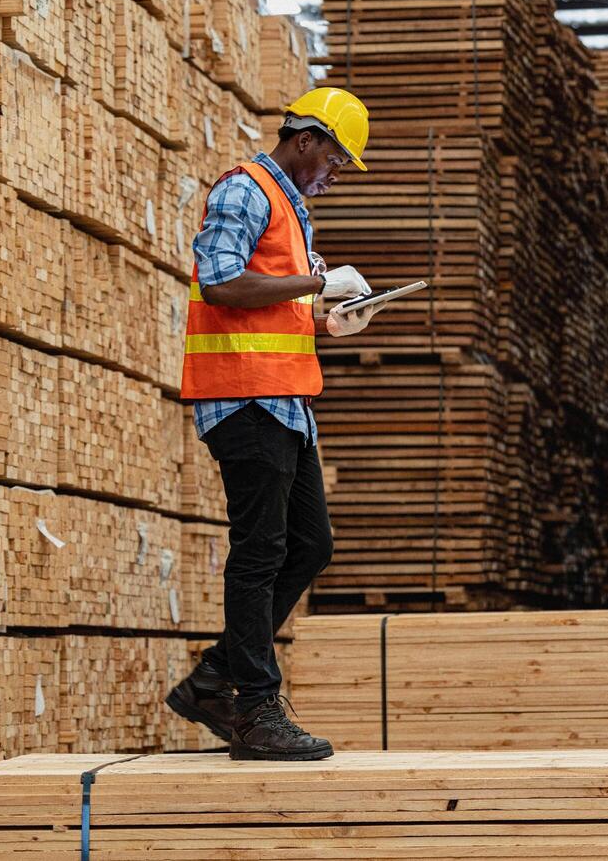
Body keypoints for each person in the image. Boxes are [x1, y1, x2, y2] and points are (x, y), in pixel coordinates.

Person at [166, 87, 377, 761]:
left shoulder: (292, 209)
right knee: (260, 552)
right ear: (307, 140)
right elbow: (221, 283)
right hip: (245, 399)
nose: (335, 176)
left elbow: (270, 307)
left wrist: (329, 319)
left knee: (310, 545)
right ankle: (254, 708)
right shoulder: (246, 190)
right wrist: (319, 285)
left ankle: (214, 680)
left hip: (285, 402)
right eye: (336, 162)